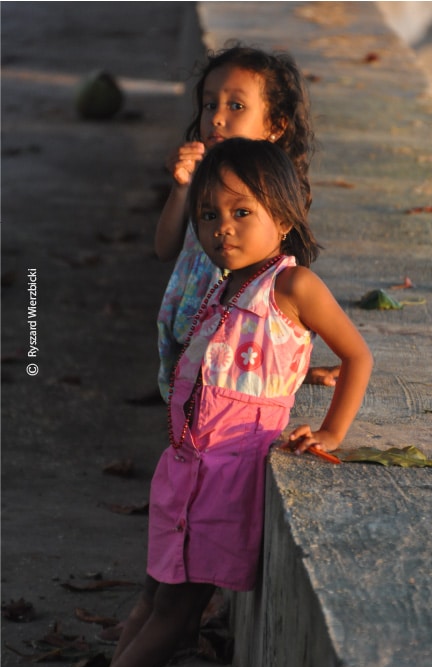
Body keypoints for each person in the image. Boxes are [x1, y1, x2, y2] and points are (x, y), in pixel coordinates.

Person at [9, 138, 372, 667]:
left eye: (241, 212)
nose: (221, 229)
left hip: (228, 477)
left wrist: (333, 428)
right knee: (154, 593)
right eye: (209, 215)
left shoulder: (294, 286)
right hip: (186, 466)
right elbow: (243, 360)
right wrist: (298, 370)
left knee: (178, 607)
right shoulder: (224, 285)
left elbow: (358, 355)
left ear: (283, 218)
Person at [154, 43, 340, 401]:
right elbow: (164, 249)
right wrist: (180, 189)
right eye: (210, 105)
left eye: (236, 106)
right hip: (189, 332)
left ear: (275, 126)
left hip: (239, 340)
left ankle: (294, 372)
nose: (217, 118)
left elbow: (280, 291)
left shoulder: (269, 194)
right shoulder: (203, 178)